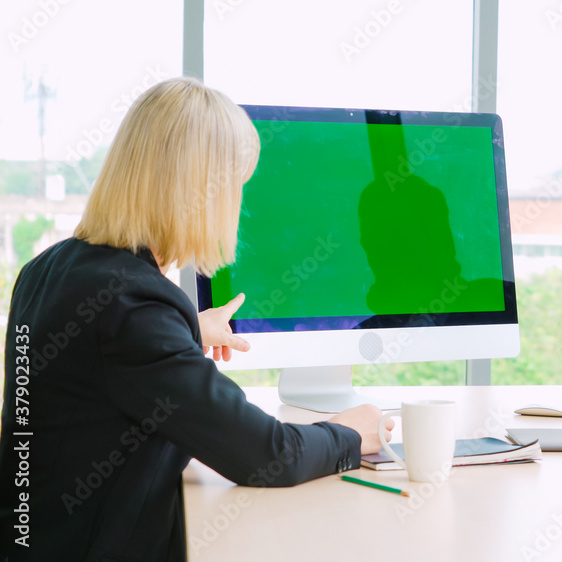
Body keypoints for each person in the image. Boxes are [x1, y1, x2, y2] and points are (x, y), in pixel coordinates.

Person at [0, 77, 393, 560]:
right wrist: (351, 434)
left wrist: (184, 327)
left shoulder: (51, 268)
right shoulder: (136, 307)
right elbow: (269, 455)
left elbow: (98, 373)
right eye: (236, 188)